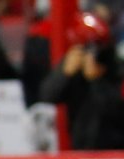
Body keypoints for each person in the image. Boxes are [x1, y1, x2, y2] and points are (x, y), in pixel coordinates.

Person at [39, 12, 124, 150]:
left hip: (115, 148)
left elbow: (115, 110)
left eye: (97, 46)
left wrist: (96, 80)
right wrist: (64, 74)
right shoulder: (73, 64)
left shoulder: (116, 68)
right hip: (81, 146)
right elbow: (47, 96)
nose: (92, 52)